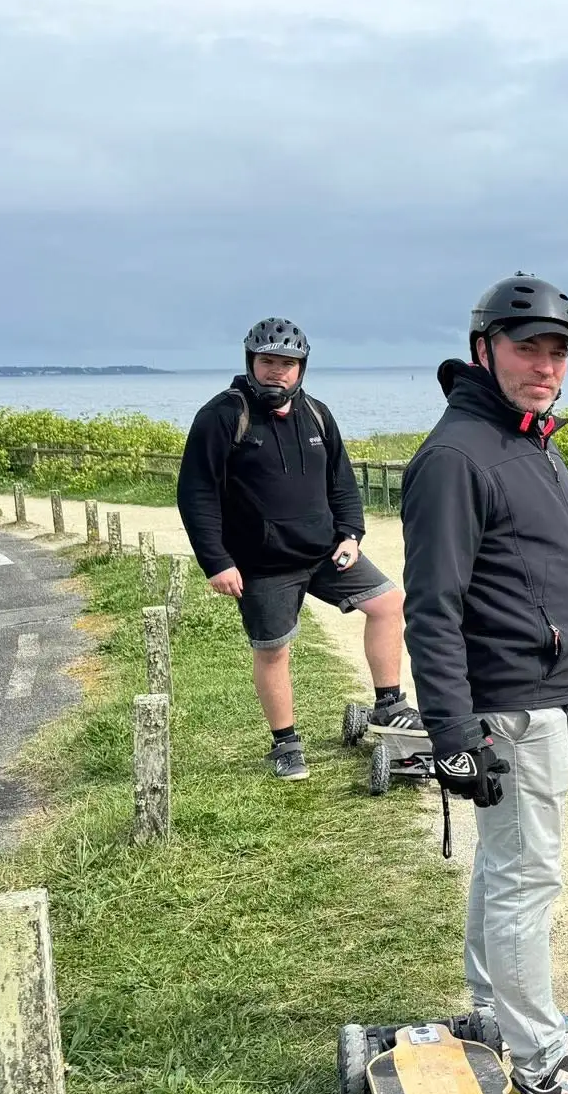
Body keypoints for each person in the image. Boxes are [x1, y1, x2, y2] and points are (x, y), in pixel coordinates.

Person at [401, 273, 568, 1094]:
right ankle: (540, 1062)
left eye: (557, 351)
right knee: (527, 878)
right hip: (512, 705)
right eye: (526, 347)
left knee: (506, 868)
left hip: (548, 699)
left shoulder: (527, 439)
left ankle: (497, 1015)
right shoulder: (458, 456)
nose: (545, 365)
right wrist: (454, 732)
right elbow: (432, 605)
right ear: (482, 350)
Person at [176, 317, 415, 781]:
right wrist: (217, 562)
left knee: (389, 603)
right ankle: (285, 744)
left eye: (287, 363)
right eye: (268, 362)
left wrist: (351, 534)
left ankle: (389, 705)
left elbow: (341, 482)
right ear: (251, 363)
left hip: (325, 553)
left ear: (301, 368)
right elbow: (196, 493)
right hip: (261, 565)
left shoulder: (318, 415)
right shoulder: (223, 415)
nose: (277, 372)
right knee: (273, 651)